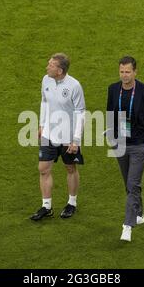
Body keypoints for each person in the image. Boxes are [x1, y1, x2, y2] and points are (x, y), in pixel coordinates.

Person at [106, 56, 144, 241]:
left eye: (128, 71)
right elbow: (110, 112)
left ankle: (127, 225)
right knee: (130, 185)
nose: (124, 75)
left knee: (132, 184)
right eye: (121, 71)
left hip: (138, 145)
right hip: (120, 144)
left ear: (135, 72)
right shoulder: (113, 90)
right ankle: (139, 213)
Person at [30, 53, 86, 221]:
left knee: (70, 168)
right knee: (43, 169)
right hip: (48, 133)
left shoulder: (74, 86)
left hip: (68, 137)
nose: (47, 67)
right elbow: (44, 102)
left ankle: (72, 203)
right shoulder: (46, 80)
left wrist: (76, 140)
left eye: (51, 65)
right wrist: (41, 125)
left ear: (60, 70)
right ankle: (46, 206)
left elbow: (80, 113)